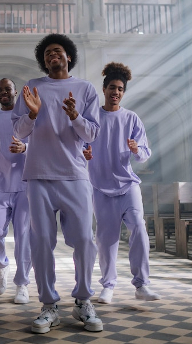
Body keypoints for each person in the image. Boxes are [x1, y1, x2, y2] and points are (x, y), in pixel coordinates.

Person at [12, 33, 103, 333]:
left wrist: (76, 116)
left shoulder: (85, 88)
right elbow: (18, 132)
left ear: (68, 57)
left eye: (59, 51)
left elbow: (91, 134)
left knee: (85, 241)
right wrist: (33, 114)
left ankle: (83, 301)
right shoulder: (31, 88)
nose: (53, 55)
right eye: (48, 52)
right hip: (38, 175)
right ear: (44, 59)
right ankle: (49, 306)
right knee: (41, 243)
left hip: (75, 175)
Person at [83, 62, 161, 304]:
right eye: (112, 88)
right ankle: (108, 286)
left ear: (123, 93)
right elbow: (79, 145)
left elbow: (145, 153)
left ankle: (142, 285)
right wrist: (83, 154)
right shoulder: (92, 116)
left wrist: (137, 149)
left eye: (120, 89)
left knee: (138, 226)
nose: (115, 92)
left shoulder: (131, 118)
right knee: (106, 239)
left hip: (128, 185)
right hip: (100, 188)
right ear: (104, 90)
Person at [0, 78, 31, 304]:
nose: (4, 92)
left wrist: (26, 148)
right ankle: (1, 266)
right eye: (0, 89)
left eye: (8, 89)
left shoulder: (27, 119)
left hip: (24, 185)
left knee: (24, 236)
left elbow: (42, 143)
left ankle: (22, 283)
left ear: (16, 93)